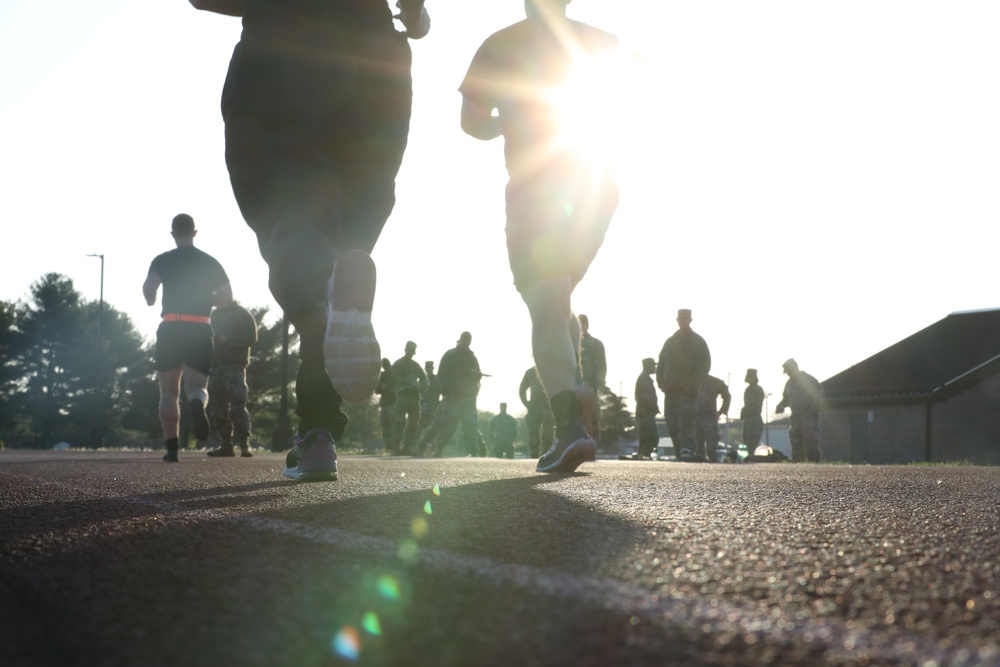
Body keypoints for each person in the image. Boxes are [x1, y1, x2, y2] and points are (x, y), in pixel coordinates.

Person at [189, 0, 431, 482]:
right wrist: (414, 17)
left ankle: (319, 424)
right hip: (379, 62)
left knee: (289, 212)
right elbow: (417, 17)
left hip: (284, 52)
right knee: (347, 237)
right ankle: (317, 431)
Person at [460, 0, 625, 473]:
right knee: (560, 297)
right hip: (597, 187)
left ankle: (569, 425)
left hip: (538, 189)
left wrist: (509, 122)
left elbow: (471, 123)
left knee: (545, 303)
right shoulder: (598, 39)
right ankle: (575, 386)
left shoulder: (500, 44)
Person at [143, 214, 233, 463]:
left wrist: (151, 300)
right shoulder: (209, 261)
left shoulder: (162, 260)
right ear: (195, 233)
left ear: (172, 234)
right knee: (197, 387)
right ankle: (196, 402)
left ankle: (172, 448)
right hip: (199, 327)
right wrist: (206, 300)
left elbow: (149, 287)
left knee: (168, 393)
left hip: (171, 326)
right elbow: (227, 296)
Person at [417, 332, 485, 457]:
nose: (466, 342)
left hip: (468, 398)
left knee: (471, 425)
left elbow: (477, 377)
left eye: (468, 340)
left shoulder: (472, 358)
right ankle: (428, 445)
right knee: (443, 423)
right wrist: (444, 390)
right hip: (452, 396)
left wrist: (475, 381)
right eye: (464, 339)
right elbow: (441, 374)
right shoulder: (450, 355)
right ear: (460, 339)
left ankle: (473, 451)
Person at [205, 301, 259, 458]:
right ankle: (226, 444)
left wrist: (227, 340)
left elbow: (251, 337)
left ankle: (244, 445)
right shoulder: (213, 315)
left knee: (238, 405)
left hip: (234, 366)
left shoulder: (242, 314)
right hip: (215, 367)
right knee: (217, 407)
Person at [657, 309, 711, 462]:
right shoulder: (670, 342)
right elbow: (661, 364)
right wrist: (661, 383)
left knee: (686, 422)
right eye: (680, 318)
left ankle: (687, 449)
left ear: (690, 320)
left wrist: (693, 384)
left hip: (687, 391)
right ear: (677, 320)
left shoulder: (697, 341)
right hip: (670, 390)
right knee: (671, 422)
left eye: (686, 318)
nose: (683, 321)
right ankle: (679, 452)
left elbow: (705, 366)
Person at [775, 358, 823, 462]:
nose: (789, 374)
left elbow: (818, 397)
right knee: (795, 439)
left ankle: (814, 463)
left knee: (810, 439)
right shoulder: (789, 384)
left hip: (810, 415)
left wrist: (812, 410)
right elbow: (786, 399)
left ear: (795, 369)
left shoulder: (809, 380)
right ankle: (798, 464)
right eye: (787, 372)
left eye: (790, 371)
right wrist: (780, 406)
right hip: (796, 417)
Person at [390, 341, 428, 455]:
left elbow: (424, 379)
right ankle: (396, 447)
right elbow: (396, 379)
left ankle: (407, 447)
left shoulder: (415, 365)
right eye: (410, 350)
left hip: (415, 397)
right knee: (400, 422)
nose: (412, 352)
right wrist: (407, 384)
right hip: (403, 396)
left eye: (413, 350)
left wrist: (421, 386)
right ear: (406, 349)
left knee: (414, 424)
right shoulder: (398, 364)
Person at [577, 314, 607, 449]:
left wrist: (596, 385)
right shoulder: (570, 342)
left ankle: (593, 448)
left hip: (590, 387)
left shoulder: (595, 344)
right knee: (573, 419)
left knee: (593, 418)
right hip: (573, 388)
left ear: (587, 325)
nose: (581, 327)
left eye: (583, 324)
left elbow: (601, 367)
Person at [626, 357, 659, 460]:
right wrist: (653, 407)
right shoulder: (644, 379)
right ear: (647, 366)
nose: (655, 368)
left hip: (645, 412)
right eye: (653, 365)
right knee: (650, 435)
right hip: (645, 412)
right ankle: (644, 453)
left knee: (646, 435)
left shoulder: (646, 378)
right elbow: (646, 398)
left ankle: (643, 453)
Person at [519, 365, 554, 458]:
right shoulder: (530, 372)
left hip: (549, 407)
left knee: (548, 434)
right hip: (534, 407)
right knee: (533, 434)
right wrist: (527, 404)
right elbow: (522, 389)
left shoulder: (554, 370)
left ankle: (547, 455)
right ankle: (534, 454)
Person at [695, 374, 731, 462]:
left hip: (709, 416)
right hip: (694, 416)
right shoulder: (691, 379)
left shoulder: (714, 382)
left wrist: (722, 410)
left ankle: (712, 460)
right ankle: (699, 461)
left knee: (711, 442)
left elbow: (727, 395)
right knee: (697, 444)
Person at [740, 368, 765, 452]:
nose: (749, 379)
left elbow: (757, 407)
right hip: (748, 419)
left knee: (752, 442)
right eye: (748, 376)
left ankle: (751, 458)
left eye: (751, 377)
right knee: (746, 442)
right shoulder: (748, 390)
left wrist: (746, 410)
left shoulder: (758, 389)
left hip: (755, 419)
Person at [376, 358, 396, 453]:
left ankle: (393, 446)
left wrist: (386, 387)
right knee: (385, 426)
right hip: (385, 403)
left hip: (392, 403)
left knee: (391, 426)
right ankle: (388, 446)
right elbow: (377, 390)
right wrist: (380, 386)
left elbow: (396, 388)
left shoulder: (393, 374)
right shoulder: (382, 375)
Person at [420, 360, 440, 434]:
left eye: (430, 368)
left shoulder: (437, 379)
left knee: (433, 425)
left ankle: (432, 444)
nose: (428, 370)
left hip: (434, 406)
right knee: (420, 425)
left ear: (432, 369)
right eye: (427, 368)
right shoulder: (423, 380)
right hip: (423, 405)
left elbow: (441, 390)